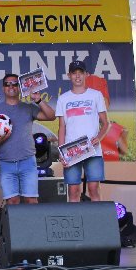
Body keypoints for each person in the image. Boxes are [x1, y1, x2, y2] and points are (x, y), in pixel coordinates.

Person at [0, 72, 56, 204]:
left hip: (27, 161)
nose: (11, 87)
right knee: (12, 201)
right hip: (6, 162)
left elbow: (51, 116)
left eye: (15, 84)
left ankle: (31, 220)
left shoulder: (28, 108)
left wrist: (38, 100)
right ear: (3, 88)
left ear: (20, 88)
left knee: (31, 200)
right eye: (7, 84)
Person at [55, 60, 109, 202]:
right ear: (69, 75)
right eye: (74, 73)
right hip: (71, 150)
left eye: (81, 73)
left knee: (93, 188)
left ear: (86, 74)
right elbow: (62, 127)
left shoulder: (96, 95)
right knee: (73, 190)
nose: (77, 76)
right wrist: (61, 151)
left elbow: (106, 123)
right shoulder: (63, 98)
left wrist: (98, 138)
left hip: (93, 149)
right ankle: (75, 217)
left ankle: (97, 216)